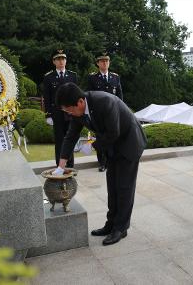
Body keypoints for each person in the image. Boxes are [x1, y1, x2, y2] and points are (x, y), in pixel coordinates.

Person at [52, 82, 147, 246]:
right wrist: (61, 166)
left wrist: (92, 145)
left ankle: (121, 228)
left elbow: (113, 132)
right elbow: (70, 137)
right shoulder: (78, 112)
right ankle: (111, 224)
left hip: (129, 143)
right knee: (113, 186)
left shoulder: (105, 102)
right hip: (113, 145)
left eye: (69, 110)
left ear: (80, 102)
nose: (69, 114)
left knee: (124, 187)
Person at [87, 52, 123, 172]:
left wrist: (121, 110)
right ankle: (102, 162)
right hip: (99, 113)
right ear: (97, 63)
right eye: (102, 61)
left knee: (113, 136)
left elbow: (119, 95)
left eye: (107, 61)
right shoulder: (92, 78)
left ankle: (112, 160)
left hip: (113, 113)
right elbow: (90, 96)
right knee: (101, 137)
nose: (105, 63)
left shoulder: (115, 77)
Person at [43, 49, 78, 168]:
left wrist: (77, 112)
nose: (61, 61)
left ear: (66, 61)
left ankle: (70, 165)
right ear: (54, 62)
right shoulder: (48, 77)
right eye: (58, 59)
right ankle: (60, 165)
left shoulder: (72, 75)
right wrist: (48, 114)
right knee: (59, 141)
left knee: (70, 139)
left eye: (63, 59)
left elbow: (76, 96)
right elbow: (47, 97)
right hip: (56, 114)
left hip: (71, 113)